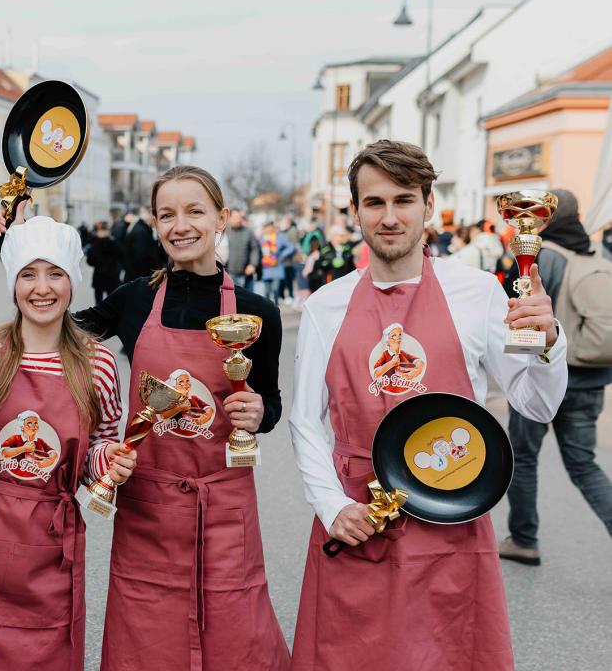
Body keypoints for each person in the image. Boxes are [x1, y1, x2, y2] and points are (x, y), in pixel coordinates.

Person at [288, 140, 567, 670]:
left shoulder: (479, 292)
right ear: (355, 211)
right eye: (374, 203)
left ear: (427, 204)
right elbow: (306, 420)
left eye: (404, 200)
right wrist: (331, 506)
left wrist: (549, 342)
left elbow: (536, 405)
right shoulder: (327, 305)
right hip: (358, 517)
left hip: (451, 512)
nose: (390, 217)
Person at [45, 166, 290, 669]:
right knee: (147, 635)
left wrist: (260, 411)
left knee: (234, 627)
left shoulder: (256, 310)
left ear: (221, 219)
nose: (180, 225)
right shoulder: (135, 299)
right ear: (155, 224)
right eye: (167, 214)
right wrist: (34, 254)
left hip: (223, 501)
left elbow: (271, 402)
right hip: (149, 504)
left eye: (194, 212)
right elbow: (57, 333)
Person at [0, 215, 134, 671]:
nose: (42, 288)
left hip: (49, 552)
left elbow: (98, 447)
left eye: (55, 273)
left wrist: (109, 464)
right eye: (28, 274)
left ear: (73, 281)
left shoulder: (98, 363)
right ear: (13, 283)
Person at [499, 188, 612, 565]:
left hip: (547, 373)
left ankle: (524, 539)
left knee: (523, 458)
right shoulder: (596, 253)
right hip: (592, 379)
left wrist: (514, 373)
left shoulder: (541, 258)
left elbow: (522, 318)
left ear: (545, 218)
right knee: (584, 465)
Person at [121, 209, 165, 283]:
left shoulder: (143, 229)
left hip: (138, 276)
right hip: (139, 277)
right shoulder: (141, 231)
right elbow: (140, 256)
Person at [259, 221, 296, 306]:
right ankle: (267, 310)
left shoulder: (280, 237)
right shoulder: (262, 238)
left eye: (270, 226)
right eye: (266, 226)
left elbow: (291, 247)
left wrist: (282, 255)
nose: (268, 228)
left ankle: (275, 309)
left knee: (276, 289)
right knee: (266, 291)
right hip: (266, 267)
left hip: (277, 267)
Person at [85, 220, 122, 304]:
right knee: (112, 300)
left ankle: (99, 316)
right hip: (112, 276)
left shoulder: (94, 245)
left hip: (99, 276)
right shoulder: (114, 244)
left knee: (98, 301)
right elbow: (121, 256)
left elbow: (89, 261)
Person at [225, 208, 259, 290]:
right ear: (229, 218)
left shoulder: (248, 232)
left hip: (246, 273)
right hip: (229, 274)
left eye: (240, 217)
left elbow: (254, 249)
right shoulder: (225, 232)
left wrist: (253, 265)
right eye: (236, 217)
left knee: (248, 300)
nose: (239, 219)